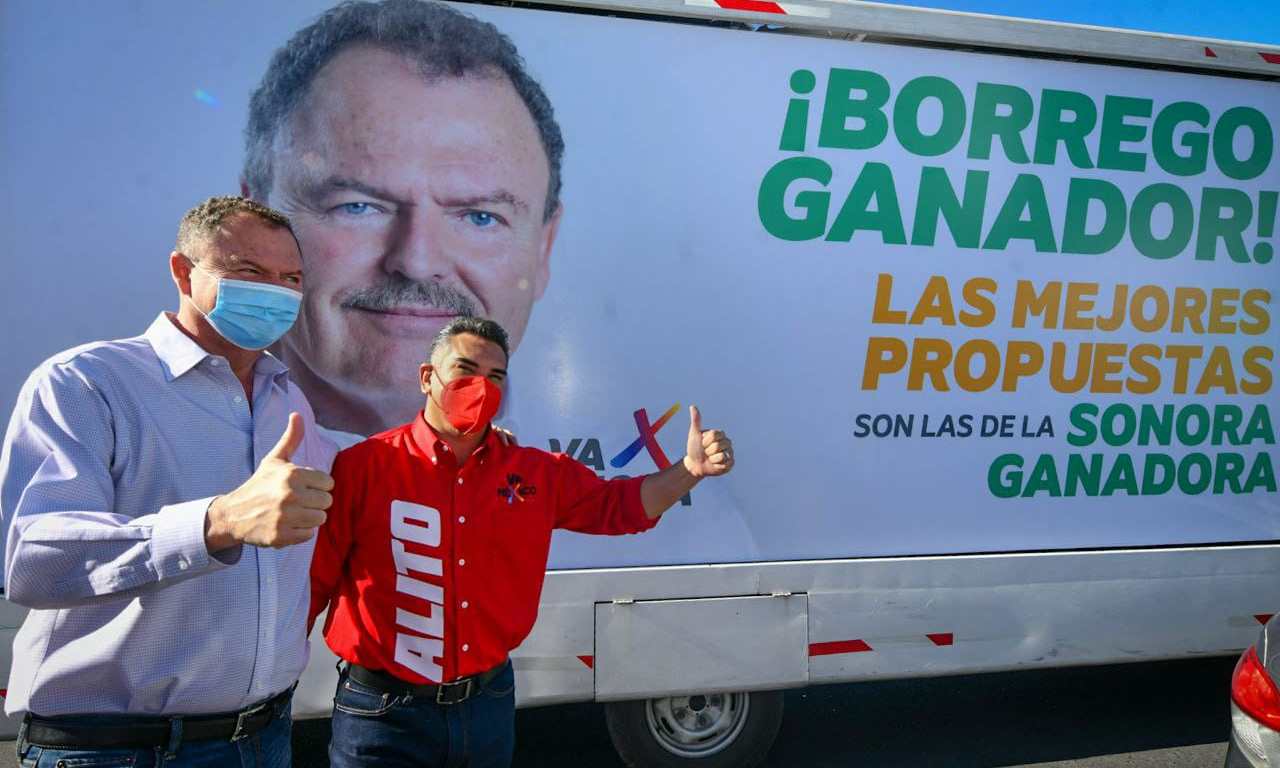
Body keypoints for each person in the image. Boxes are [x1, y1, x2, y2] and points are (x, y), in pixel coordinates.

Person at [308, 316, 735, 767]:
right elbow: (314, 581)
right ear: (427, 377)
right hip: (383, 715)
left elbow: (622, 507)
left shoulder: (536, 473)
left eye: (495, 376)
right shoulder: (365, 467)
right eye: (465, 369)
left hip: (485, 709)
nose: (481, 386)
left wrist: (689, 470)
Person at [0, 196, 338, 767]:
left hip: (265, 737)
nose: (276, 292)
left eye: (291, 279)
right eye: (250, 271)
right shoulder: (85, 383)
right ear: (183, 272)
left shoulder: (288, 399)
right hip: (118, 749)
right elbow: (33, 561)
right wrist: (215, 523)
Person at [242, 0, 564, 443]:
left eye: (480, 217)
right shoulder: (148, 427)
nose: (416, 262)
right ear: (254, 220)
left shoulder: (583, 472)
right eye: (357, 207)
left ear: (544, 249)